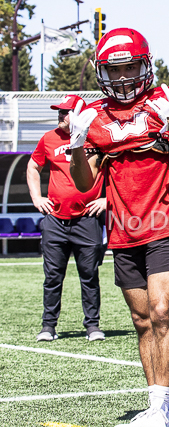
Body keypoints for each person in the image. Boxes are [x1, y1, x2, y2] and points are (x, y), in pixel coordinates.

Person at [69, 28, 169, 427]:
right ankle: (158, 405)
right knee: (142, 320)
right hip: (125, 229)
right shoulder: (95, 118)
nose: (124, 77)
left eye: (130, 68)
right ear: (102, 73)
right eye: (115, 69)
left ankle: (161, 407)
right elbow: (83, 184)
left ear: (145, 65)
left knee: (162, 311)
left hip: (166, 222)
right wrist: (76, 145)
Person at [27, 94, 106, 343]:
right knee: (52, 277)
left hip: (87, 220)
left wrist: (107, 200)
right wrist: (37, 198)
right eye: (59, 111)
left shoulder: (97, 138)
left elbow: (116, 169)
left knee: (89, 275)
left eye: (66, 111)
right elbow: (32, 166)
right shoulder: (49, 139)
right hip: (55, 221)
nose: (61, 115)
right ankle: (48, 327)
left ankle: (92, 326)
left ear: (80, 114)